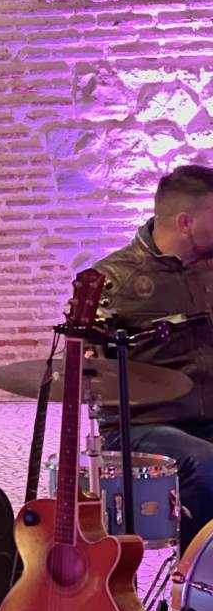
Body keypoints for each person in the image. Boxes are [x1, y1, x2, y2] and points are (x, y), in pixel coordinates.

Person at [94, 164, 213, 551]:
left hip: (207, 416)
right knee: (205, 462)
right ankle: (198, 577)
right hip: (142, 425)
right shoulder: (113, 280)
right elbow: (86, 374)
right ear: (185, 222)